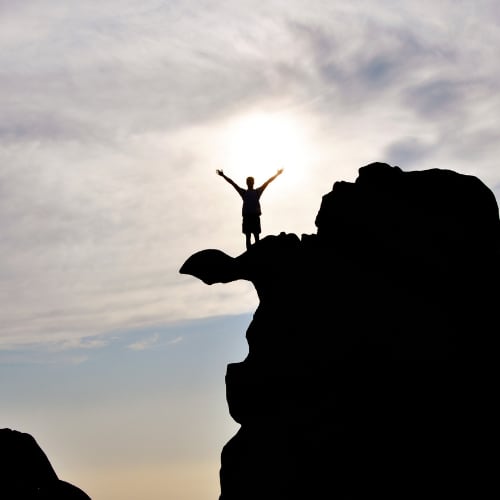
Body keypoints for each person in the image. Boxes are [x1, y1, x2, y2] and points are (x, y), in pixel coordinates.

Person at [216, 168, 284, 249]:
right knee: (248, 237)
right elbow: (233, 183)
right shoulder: (244, 192)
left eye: (251, 181)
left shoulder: (257, 192)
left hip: (254, 217)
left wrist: (277, 174)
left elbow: (267, 182)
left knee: (256, 237)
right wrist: (223, 175)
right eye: (248, 181)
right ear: (247, 183)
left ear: (253, 183)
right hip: (247, 217)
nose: (250, 183)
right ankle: (249, 254)